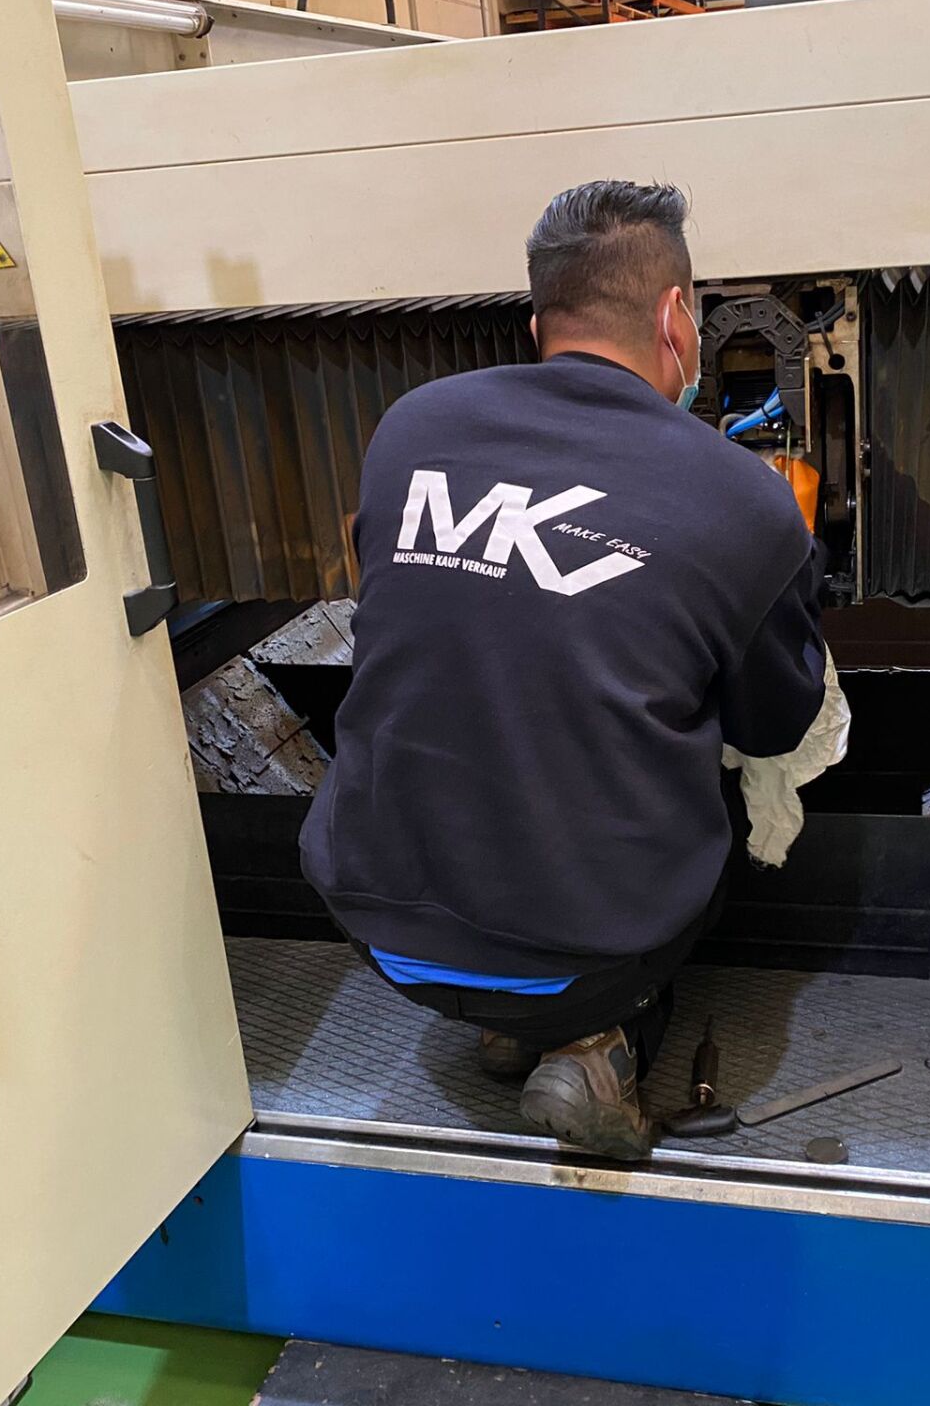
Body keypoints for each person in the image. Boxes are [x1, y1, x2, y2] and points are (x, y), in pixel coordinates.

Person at [300, 180, 828, 1160]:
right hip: (592, 955)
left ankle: (508, 1020)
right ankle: (592, 1042)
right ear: (677, 319)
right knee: (719, 787)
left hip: (373, 924)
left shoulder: (412, 427)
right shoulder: (742, 499)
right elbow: (775, 727)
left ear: (539, 322)